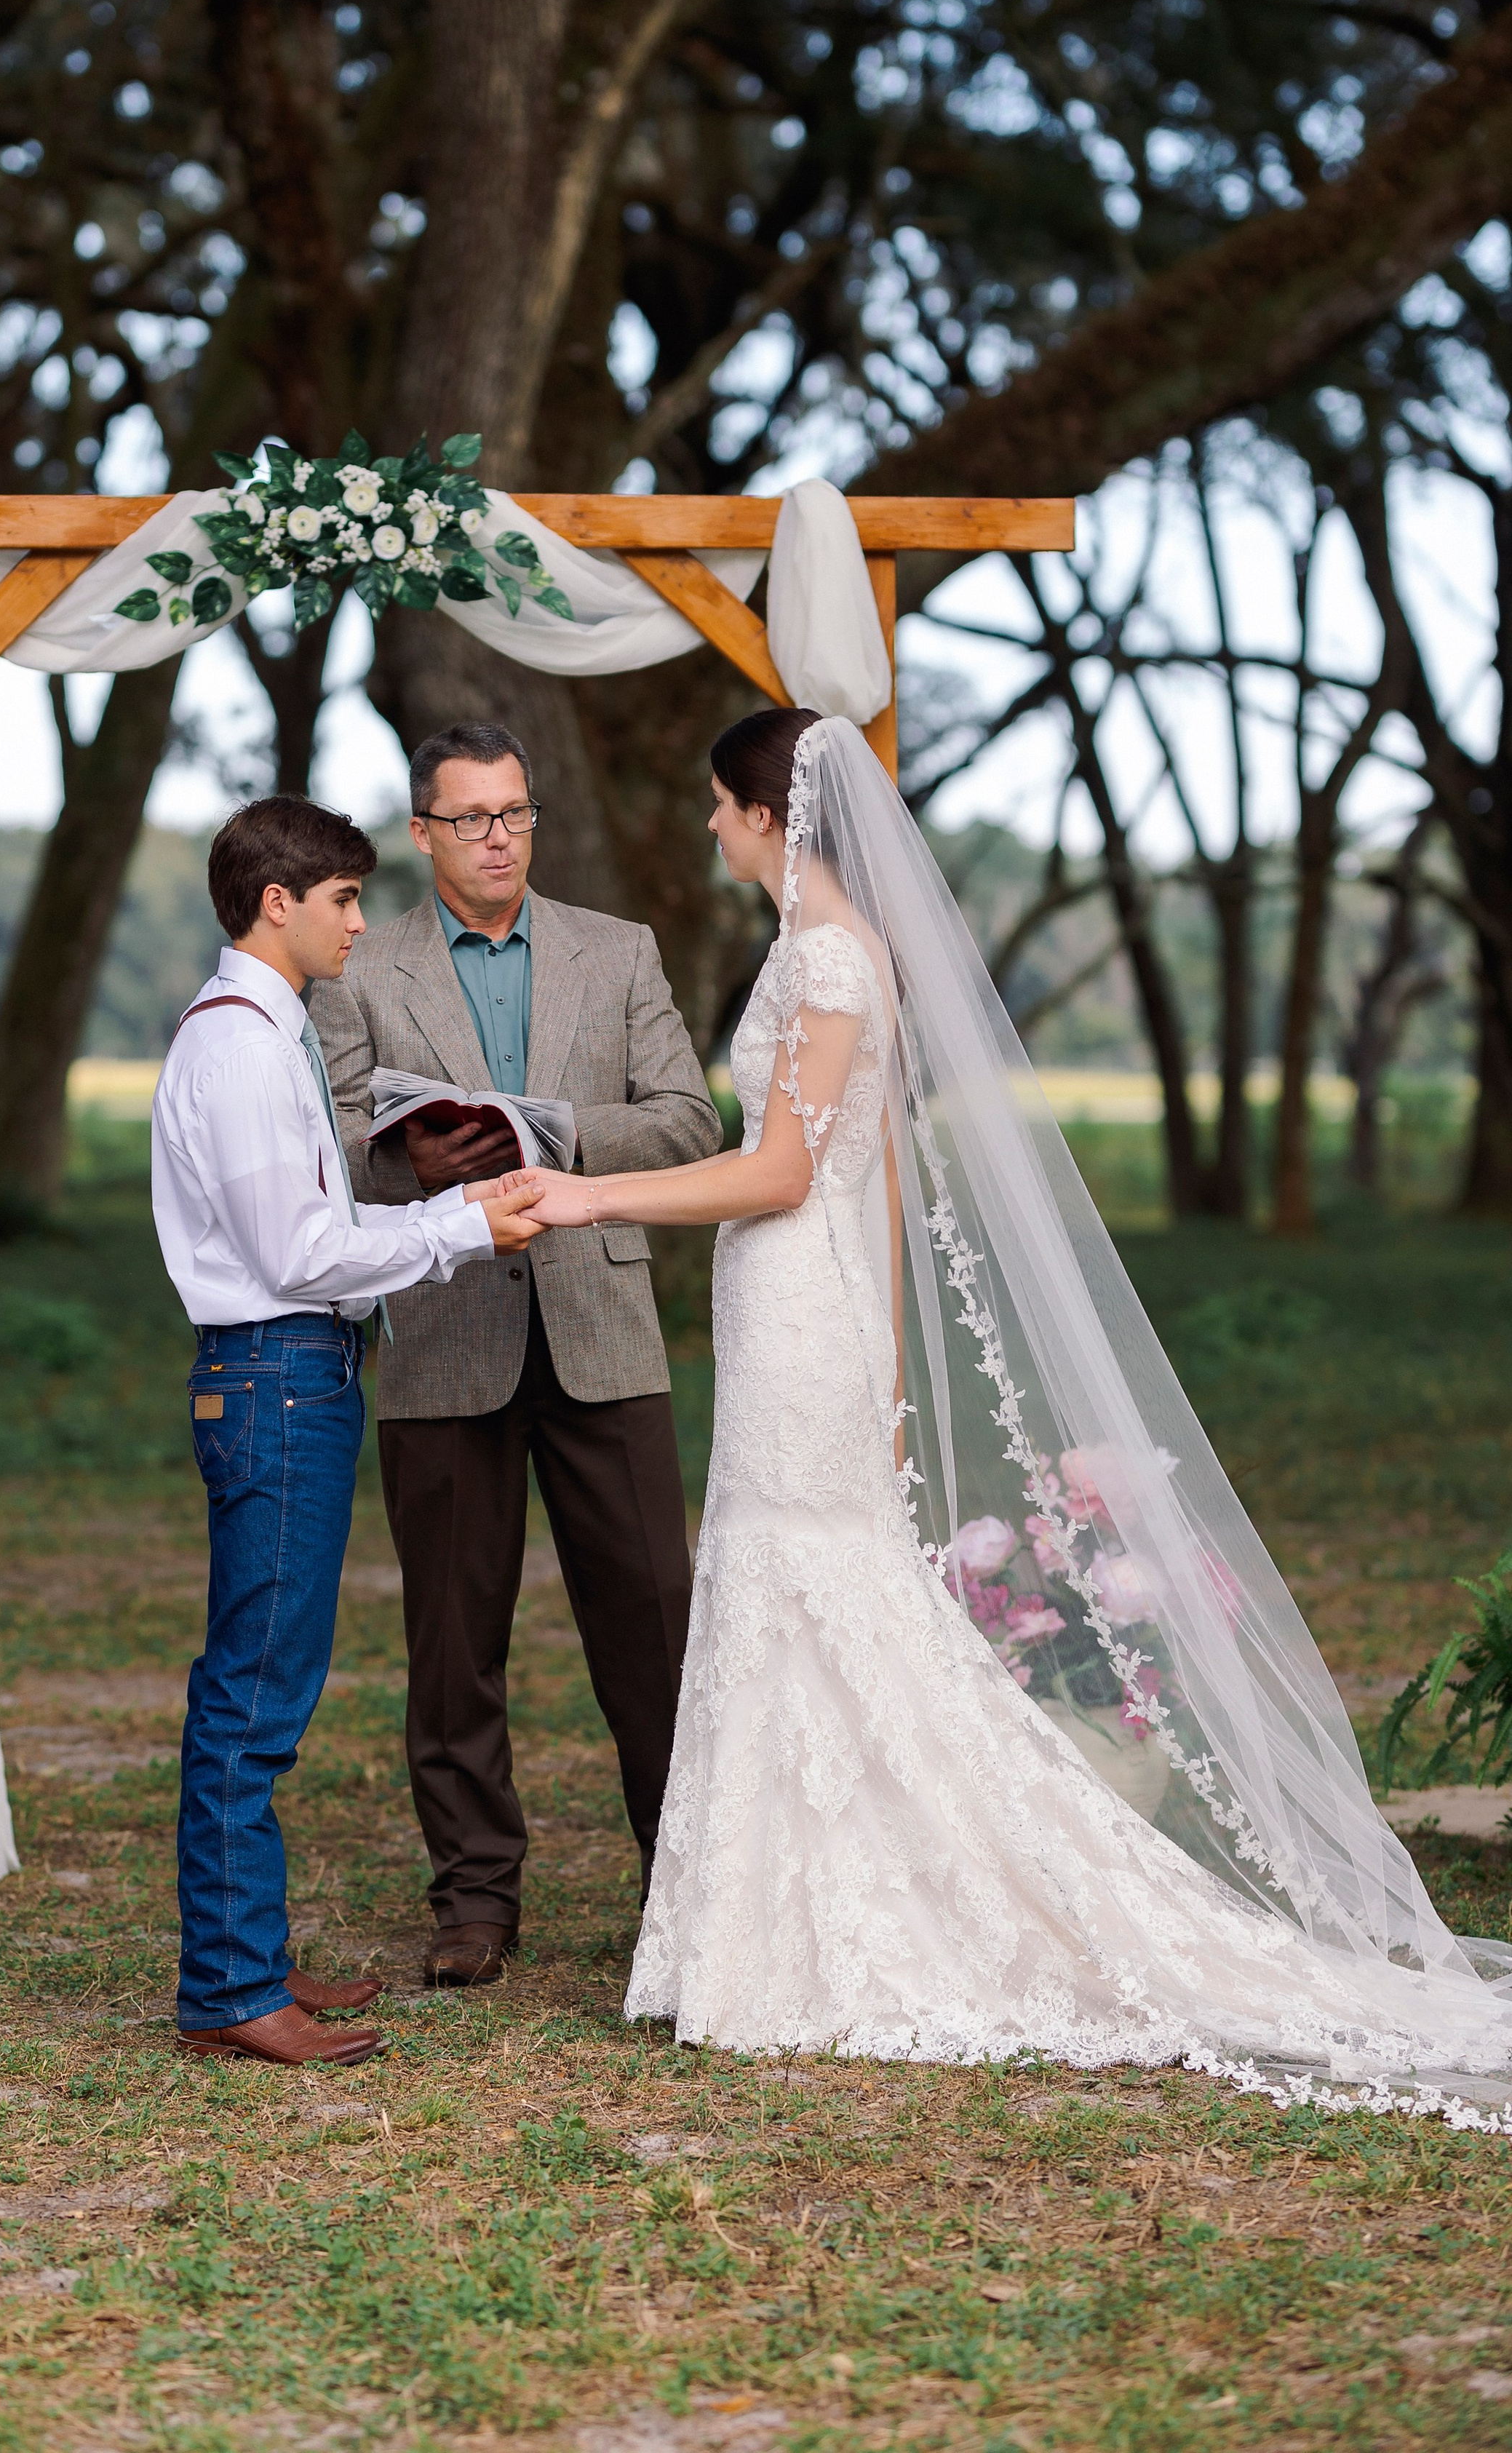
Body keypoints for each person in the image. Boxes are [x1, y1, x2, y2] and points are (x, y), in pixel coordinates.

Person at [515, 704, 1512, 2120]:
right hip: (813, 1312)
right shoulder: (845, 956)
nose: (703, 826)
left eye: (714, 805)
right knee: (797, 1585)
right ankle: (780, 1924)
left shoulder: (824, 958)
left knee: (812, 1583)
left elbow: (788, 1173)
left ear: (763, 814)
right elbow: (879, 1185)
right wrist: (900, 1380)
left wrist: (586, 1194)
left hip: (802, 1299)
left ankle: (832, 1930)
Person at [310, 721, 724, 1988]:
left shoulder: (620, 950)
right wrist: (403, 1162)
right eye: (471, 818)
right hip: (443, 1330)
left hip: (603, 1327)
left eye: (516, 814)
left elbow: (690, 1120)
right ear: (422, 832)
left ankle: (691, 1888)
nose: (499, 837)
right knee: (452, 1639)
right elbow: (326, 1134)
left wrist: (559, 1141)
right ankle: (475, 1903)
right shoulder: (356, 965)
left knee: (655, 1630)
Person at [151, 794, 546, 2067]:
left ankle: (246, 1956)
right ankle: (227, 1989)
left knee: (271, 1680)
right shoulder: (237, 1046)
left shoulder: (266, 1033)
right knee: (253, 1694)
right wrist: (461, 1228)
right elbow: (300, 1250)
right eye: (342, 901)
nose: (359, 926)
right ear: (280, 902)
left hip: (296, 1374)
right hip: (273, 1375)